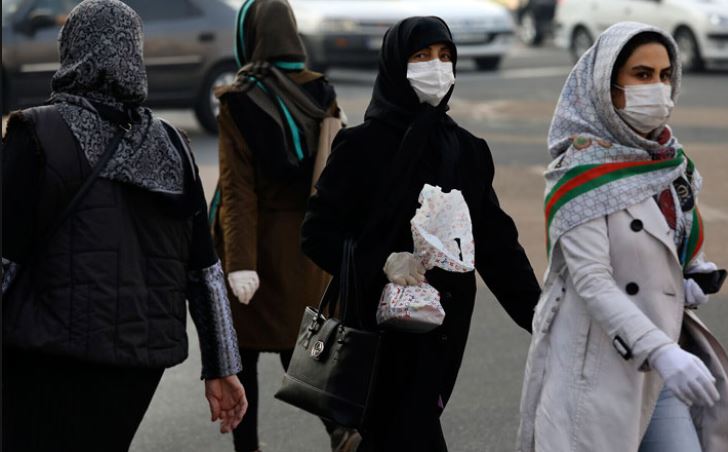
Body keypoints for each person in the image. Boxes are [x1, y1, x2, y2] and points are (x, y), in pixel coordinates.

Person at [1, 1, 247, 451]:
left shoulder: (38, 132)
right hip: (138, 363)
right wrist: (222, 366)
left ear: (71, 49)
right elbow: (204, 271)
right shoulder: (173, 144)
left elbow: (5, 255)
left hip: (46, 356)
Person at [516, 22, 728, 452]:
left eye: (665, 75)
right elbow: (592, 281)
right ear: (607, 87)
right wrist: (661, 351)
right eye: (642, 75)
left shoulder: (670, 161)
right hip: (600, 367)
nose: (658, 89)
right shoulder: (580, 173)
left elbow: (674, 241)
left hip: (664, 361)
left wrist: (691, 276)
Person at [301, 16, 541, 452]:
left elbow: (497, 246)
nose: (437, 66)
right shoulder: (361, 147)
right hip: (379, 329)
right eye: (422, 55)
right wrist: (383, 261)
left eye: (445, 56)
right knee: (409, 434)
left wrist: (541, 318)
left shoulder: (466, 149)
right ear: (396, 64)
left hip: (444, 329)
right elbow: (317, 233)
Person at [209, 1, 357, 451]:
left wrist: (240, 263)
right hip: (307, 248)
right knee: (307, 347)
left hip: (254, 244)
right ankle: (341, 430)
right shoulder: (321, 91)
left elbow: (237, 190)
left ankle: (248, 448)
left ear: (250, 35)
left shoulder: (239, 99)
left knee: (243, 356)